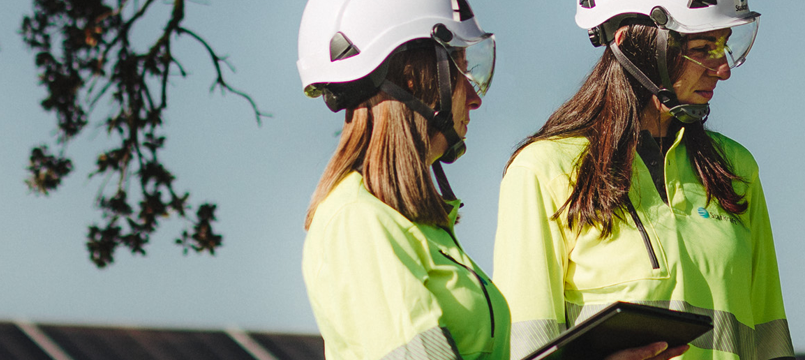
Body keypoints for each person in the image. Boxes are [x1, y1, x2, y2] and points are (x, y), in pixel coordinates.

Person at [294, 1, 687, 360]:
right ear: (413, 79)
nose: (474, 96)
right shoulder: (358, 221)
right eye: (462, 70)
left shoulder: (411, 225)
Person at [489, 1, 790, 360]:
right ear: (635, 44)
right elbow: (522, 347)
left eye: (724, 44)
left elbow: (770, 343)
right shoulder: (544, 170)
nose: (722, 69)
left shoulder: (736, 169)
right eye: (702, 49)